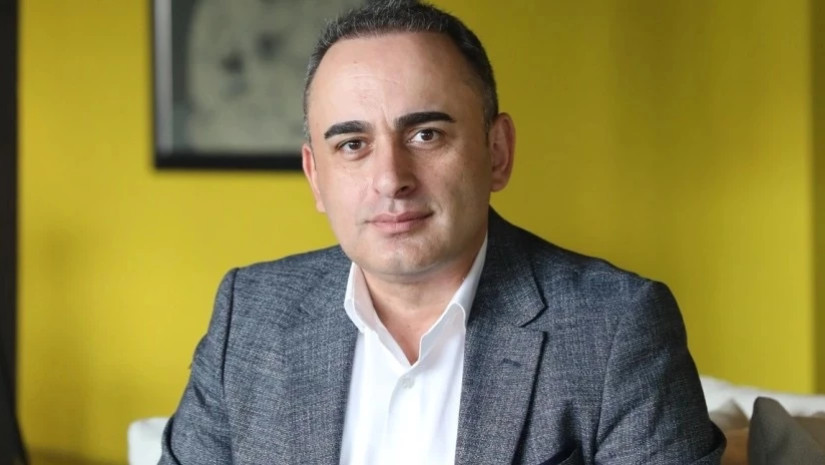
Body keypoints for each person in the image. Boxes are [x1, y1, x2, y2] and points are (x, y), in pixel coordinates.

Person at [159, 1, 726, 464]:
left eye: (426, 135)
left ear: (497, 151)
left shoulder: (616, 326)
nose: (391, 179)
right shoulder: (249, 316)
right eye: (352, 145)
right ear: (315, 177)